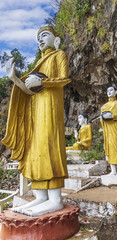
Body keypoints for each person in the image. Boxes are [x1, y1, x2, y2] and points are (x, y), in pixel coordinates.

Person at [1, 26, 71, 217]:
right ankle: (40, 197)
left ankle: (55, 199)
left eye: (44, 35)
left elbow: (65, 79)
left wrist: (45, 82)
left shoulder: (59, 55)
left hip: (51, 108)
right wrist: (14, 78)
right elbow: (29, 90)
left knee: (50, 147)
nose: (40, 40)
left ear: (55, 39)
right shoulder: (39, 62)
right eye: (38, 37)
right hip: (36, 111)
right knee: (36, 150)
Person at [100, 86, 117, 175]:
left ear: (116, 92)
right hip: (107, 128)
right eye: (107, 90)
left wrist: (112, 116)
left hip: (116, 126)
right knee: (109, 146)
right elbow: (101, 117)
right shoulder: (104, 106)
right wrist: (103, 118)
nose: (109, 92)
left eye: (111, 90)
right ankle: (113, 170)